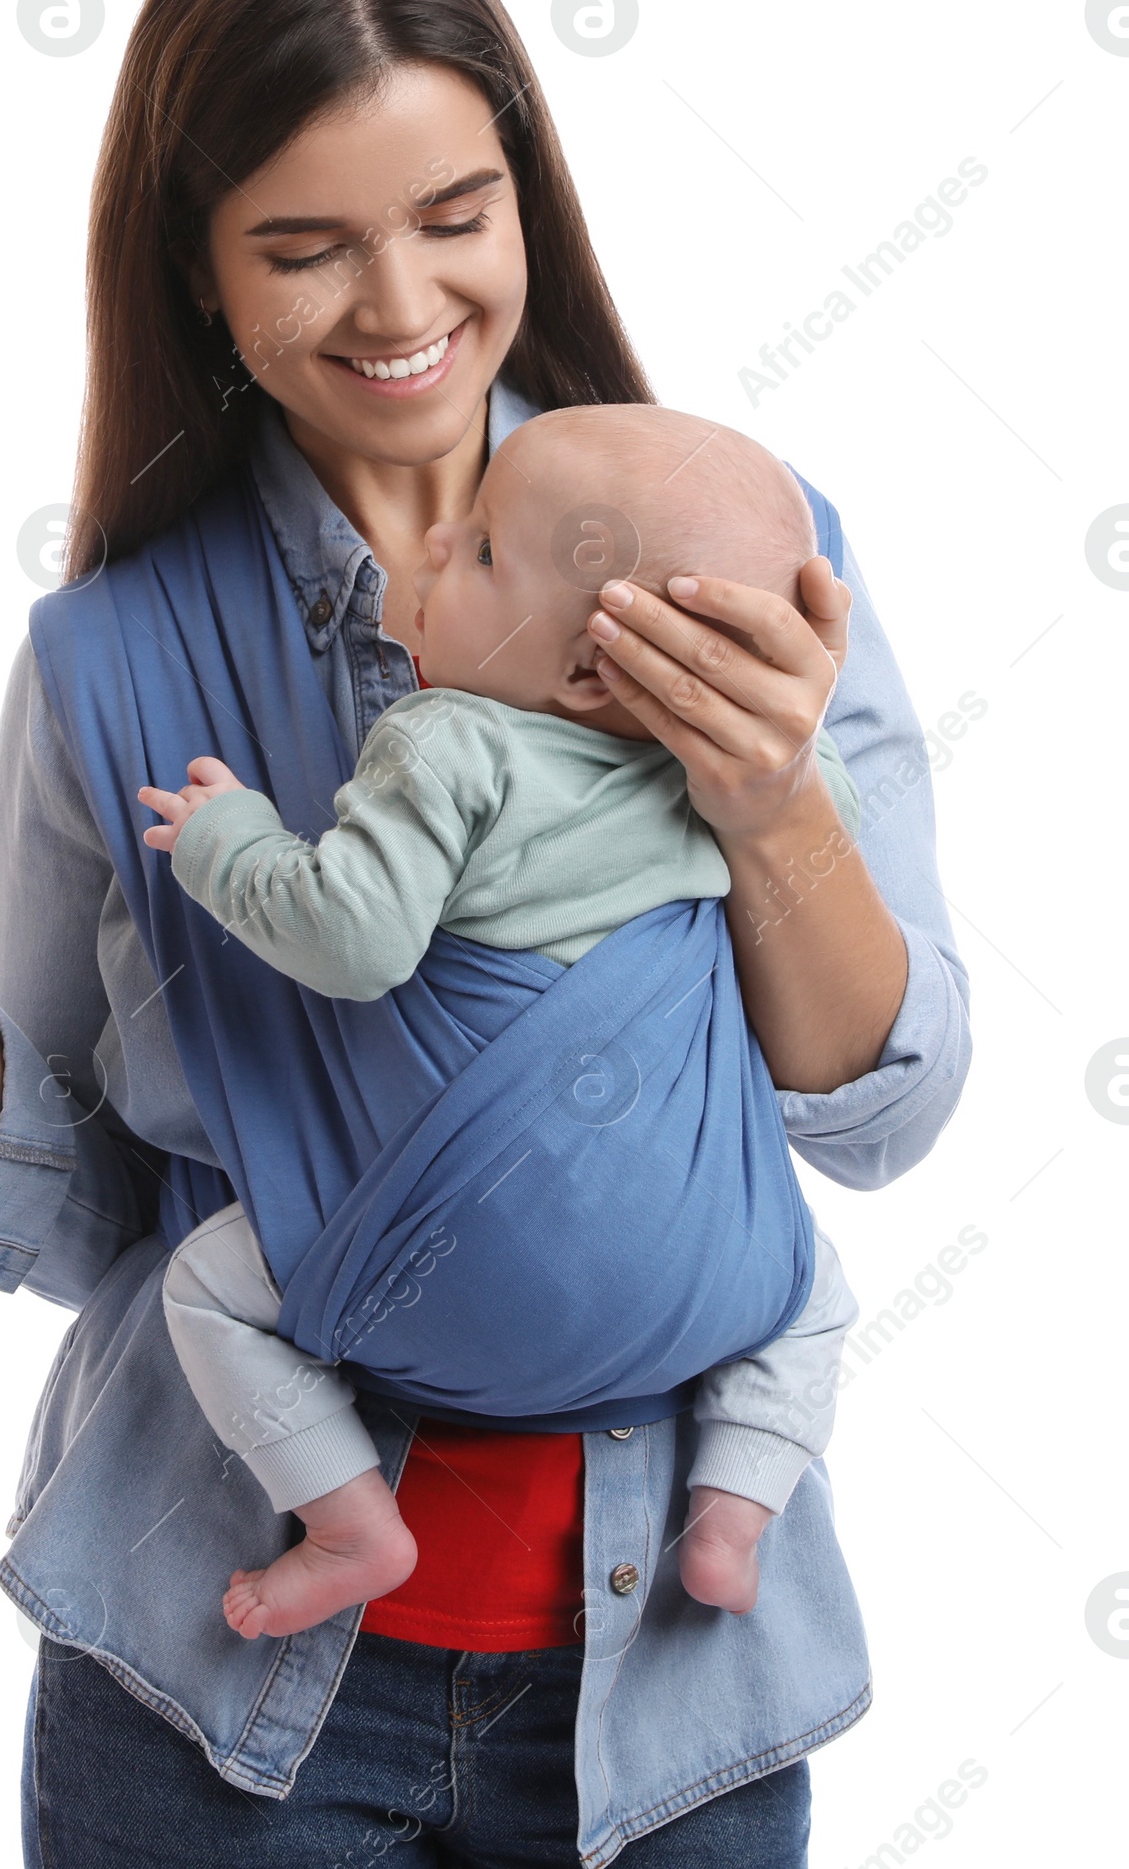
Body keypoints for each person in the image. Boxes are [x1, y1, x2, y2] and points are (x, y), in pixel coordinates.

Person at [0, 0, 970, 1867]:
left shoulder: (738, 567)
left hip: (666, 1669)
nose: (399, 304)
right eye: (302, 245)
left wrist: (768, 798)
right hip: (218, 1679)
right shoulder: (114, 662)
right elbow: (93, 1220)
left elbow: (883, 1113)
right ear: (194, 272)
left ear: (523, 196)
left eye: (455, 216)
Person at [143, 404, 863, 1638]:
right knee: (815, 1292)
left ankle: (349, 1518)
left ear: (585, 666)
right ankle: (736, 1511)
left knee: (208, 1289)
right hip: (702, 1284)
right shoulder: (761, 786)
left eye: (475, 549)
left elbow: (353, 939)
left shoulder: (451, 739)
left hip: (432, 1284)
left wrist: (230, 843)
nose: (428, 549)